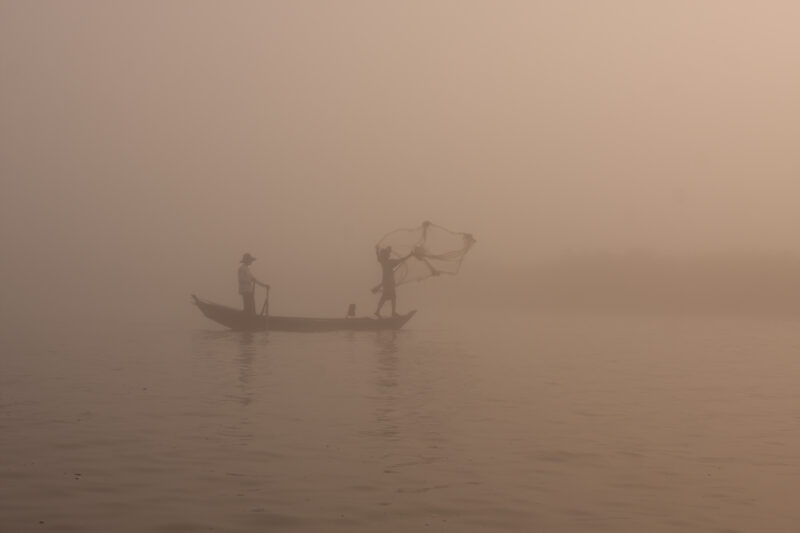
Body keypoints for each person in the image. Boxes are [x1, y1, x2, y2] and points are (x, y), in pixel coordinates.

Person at [373, 245, 412, 318]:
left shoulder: (383, 262)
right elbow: (401, 260)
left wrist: (377, 250)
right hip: (389, 283)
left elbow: (378, 258)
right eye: (388, 254)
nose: (389, 254)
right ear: (386, 255)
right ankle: (392, 313)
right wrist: (410, 255)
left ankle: (378, 311)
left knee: (384, 297)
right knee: (393, 297)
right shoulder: (390, 262)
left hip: (385, 283)